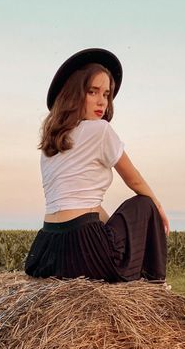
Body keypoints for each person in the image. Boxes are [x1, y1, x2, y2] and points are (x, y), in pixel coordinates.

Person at [24, 48, 170, 283]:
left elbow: (84, 204)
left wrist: (111, 232)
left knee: (109, 219)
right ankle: (156, 286)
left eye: (107, 94)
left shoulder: (51, 145)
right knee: (145, 204)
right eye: (93, 92)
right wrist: (159, 207)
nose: (102, 101)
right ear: (74, 94)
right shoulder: (100, 130)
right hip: (84, 249)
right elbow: (135, 181)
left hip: (47, 250)